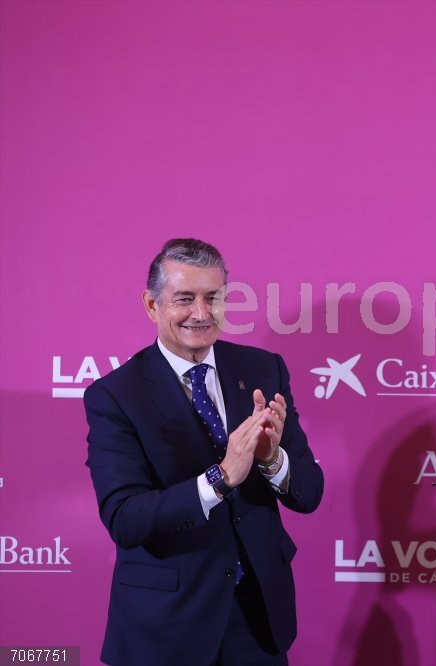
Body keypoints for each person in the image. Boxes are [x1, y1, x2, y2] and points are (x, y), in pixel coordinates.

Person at [84, 238, 324, 666]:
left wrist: (272, 460)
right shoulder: (116, 395)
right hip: (167, 626)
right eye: (184, 299)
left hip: (257, 621)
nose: (201, 312)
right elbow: (125, 518)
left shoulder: (264, 369)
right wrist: (221, 477)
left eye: (213, 297)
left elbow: (310, 493)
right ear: (152, 305)